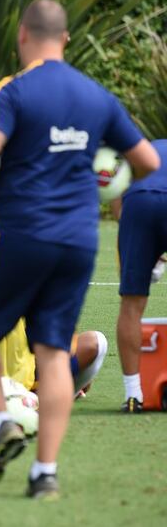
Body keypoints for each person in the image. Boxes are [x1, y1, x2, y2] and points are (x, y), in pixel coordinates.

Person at [0, 0, 159, 498]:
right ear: (67, 39)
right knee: (53, 353)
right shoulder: (98, 96)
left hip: (22, 233)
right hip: (78, 241)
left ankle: (3, 419)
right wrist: (102, 180)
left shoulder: (12, 89)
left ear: (22, 37)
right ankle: (44, 472)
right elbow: (145, 161)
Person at [113, 139, 167, 412]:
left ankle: (134, 395)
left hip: (138, 202)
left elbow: (115, 198)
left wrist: (147, 260)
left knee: (132, 304)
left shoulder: (140, 149)